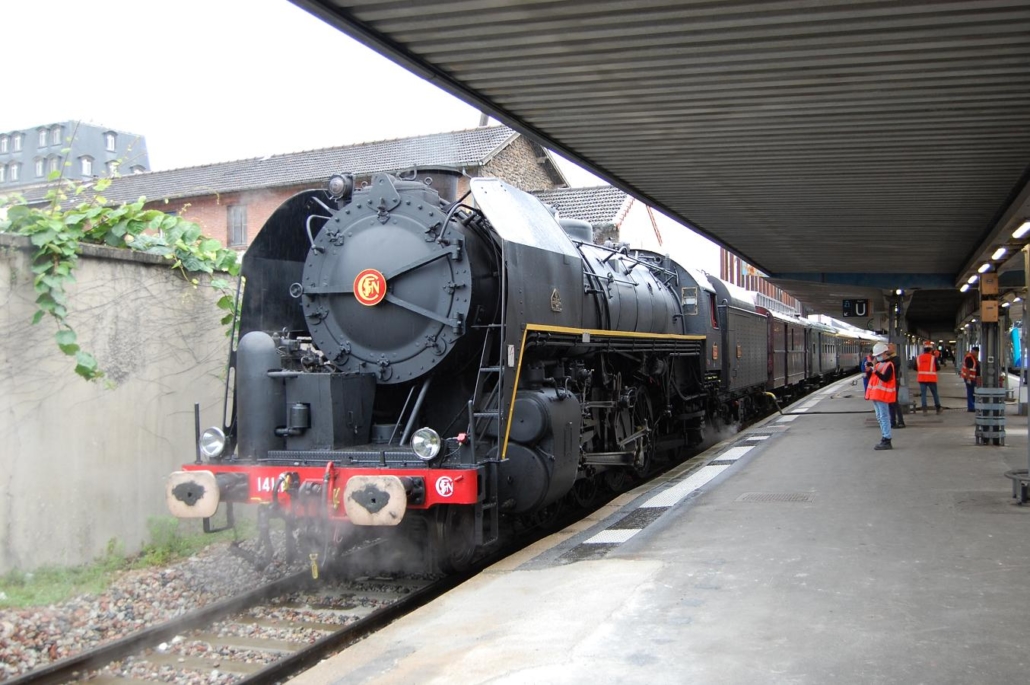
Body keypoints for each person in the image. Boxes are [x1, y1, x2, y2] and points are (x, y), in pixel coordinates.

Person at [866, 342, 896, 450]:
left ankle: (887, 439)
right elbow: (873, 378)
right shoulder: (878, 365)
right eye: (876, 355)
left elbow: (885, 378)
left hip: (883, 395)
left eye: (878, 355)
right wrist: (869, 370)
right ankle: (884, 437)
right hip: (876, 395)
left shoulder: (889, 365)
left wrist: (874, 370)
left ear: (884, 353)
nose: (877, 357)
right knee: (880, 417)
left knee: (884, 417)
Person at [916, 341, 942, 414]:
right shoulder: (933, 358)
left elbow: (915, 367)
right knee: (935, 394)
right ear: (931, 350)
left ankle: (924, 409)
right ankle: (938, 408)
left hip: (921, 378)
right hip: (931, 379)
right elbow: (938, 368)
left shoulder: (918, 358)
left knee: (923, 394)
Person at [887, 343, 906, 429]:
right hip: (889, 383)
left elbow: (889, 367)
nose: (887, 349)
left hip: (894, 383)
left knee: (894, 402)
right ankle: (892, 422)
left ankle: (901, 421)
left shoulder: (896, 359)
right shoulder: (889, 359)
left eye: (889, 348)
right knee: (890, 403)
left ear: (893, 349)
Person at [961, 345, 981, 412]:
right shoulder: (969, 358)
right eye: (976, 352)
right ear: (973, 351)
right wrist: (968, 379)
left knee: (972, 393)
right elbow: (968, 369)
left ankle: (972, 406)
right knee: (970, 393)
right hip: (970, 378)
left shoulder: (973, 358)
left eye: (977, 353)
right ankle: (971, 407)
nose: (977, 354)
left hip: (972, 378)